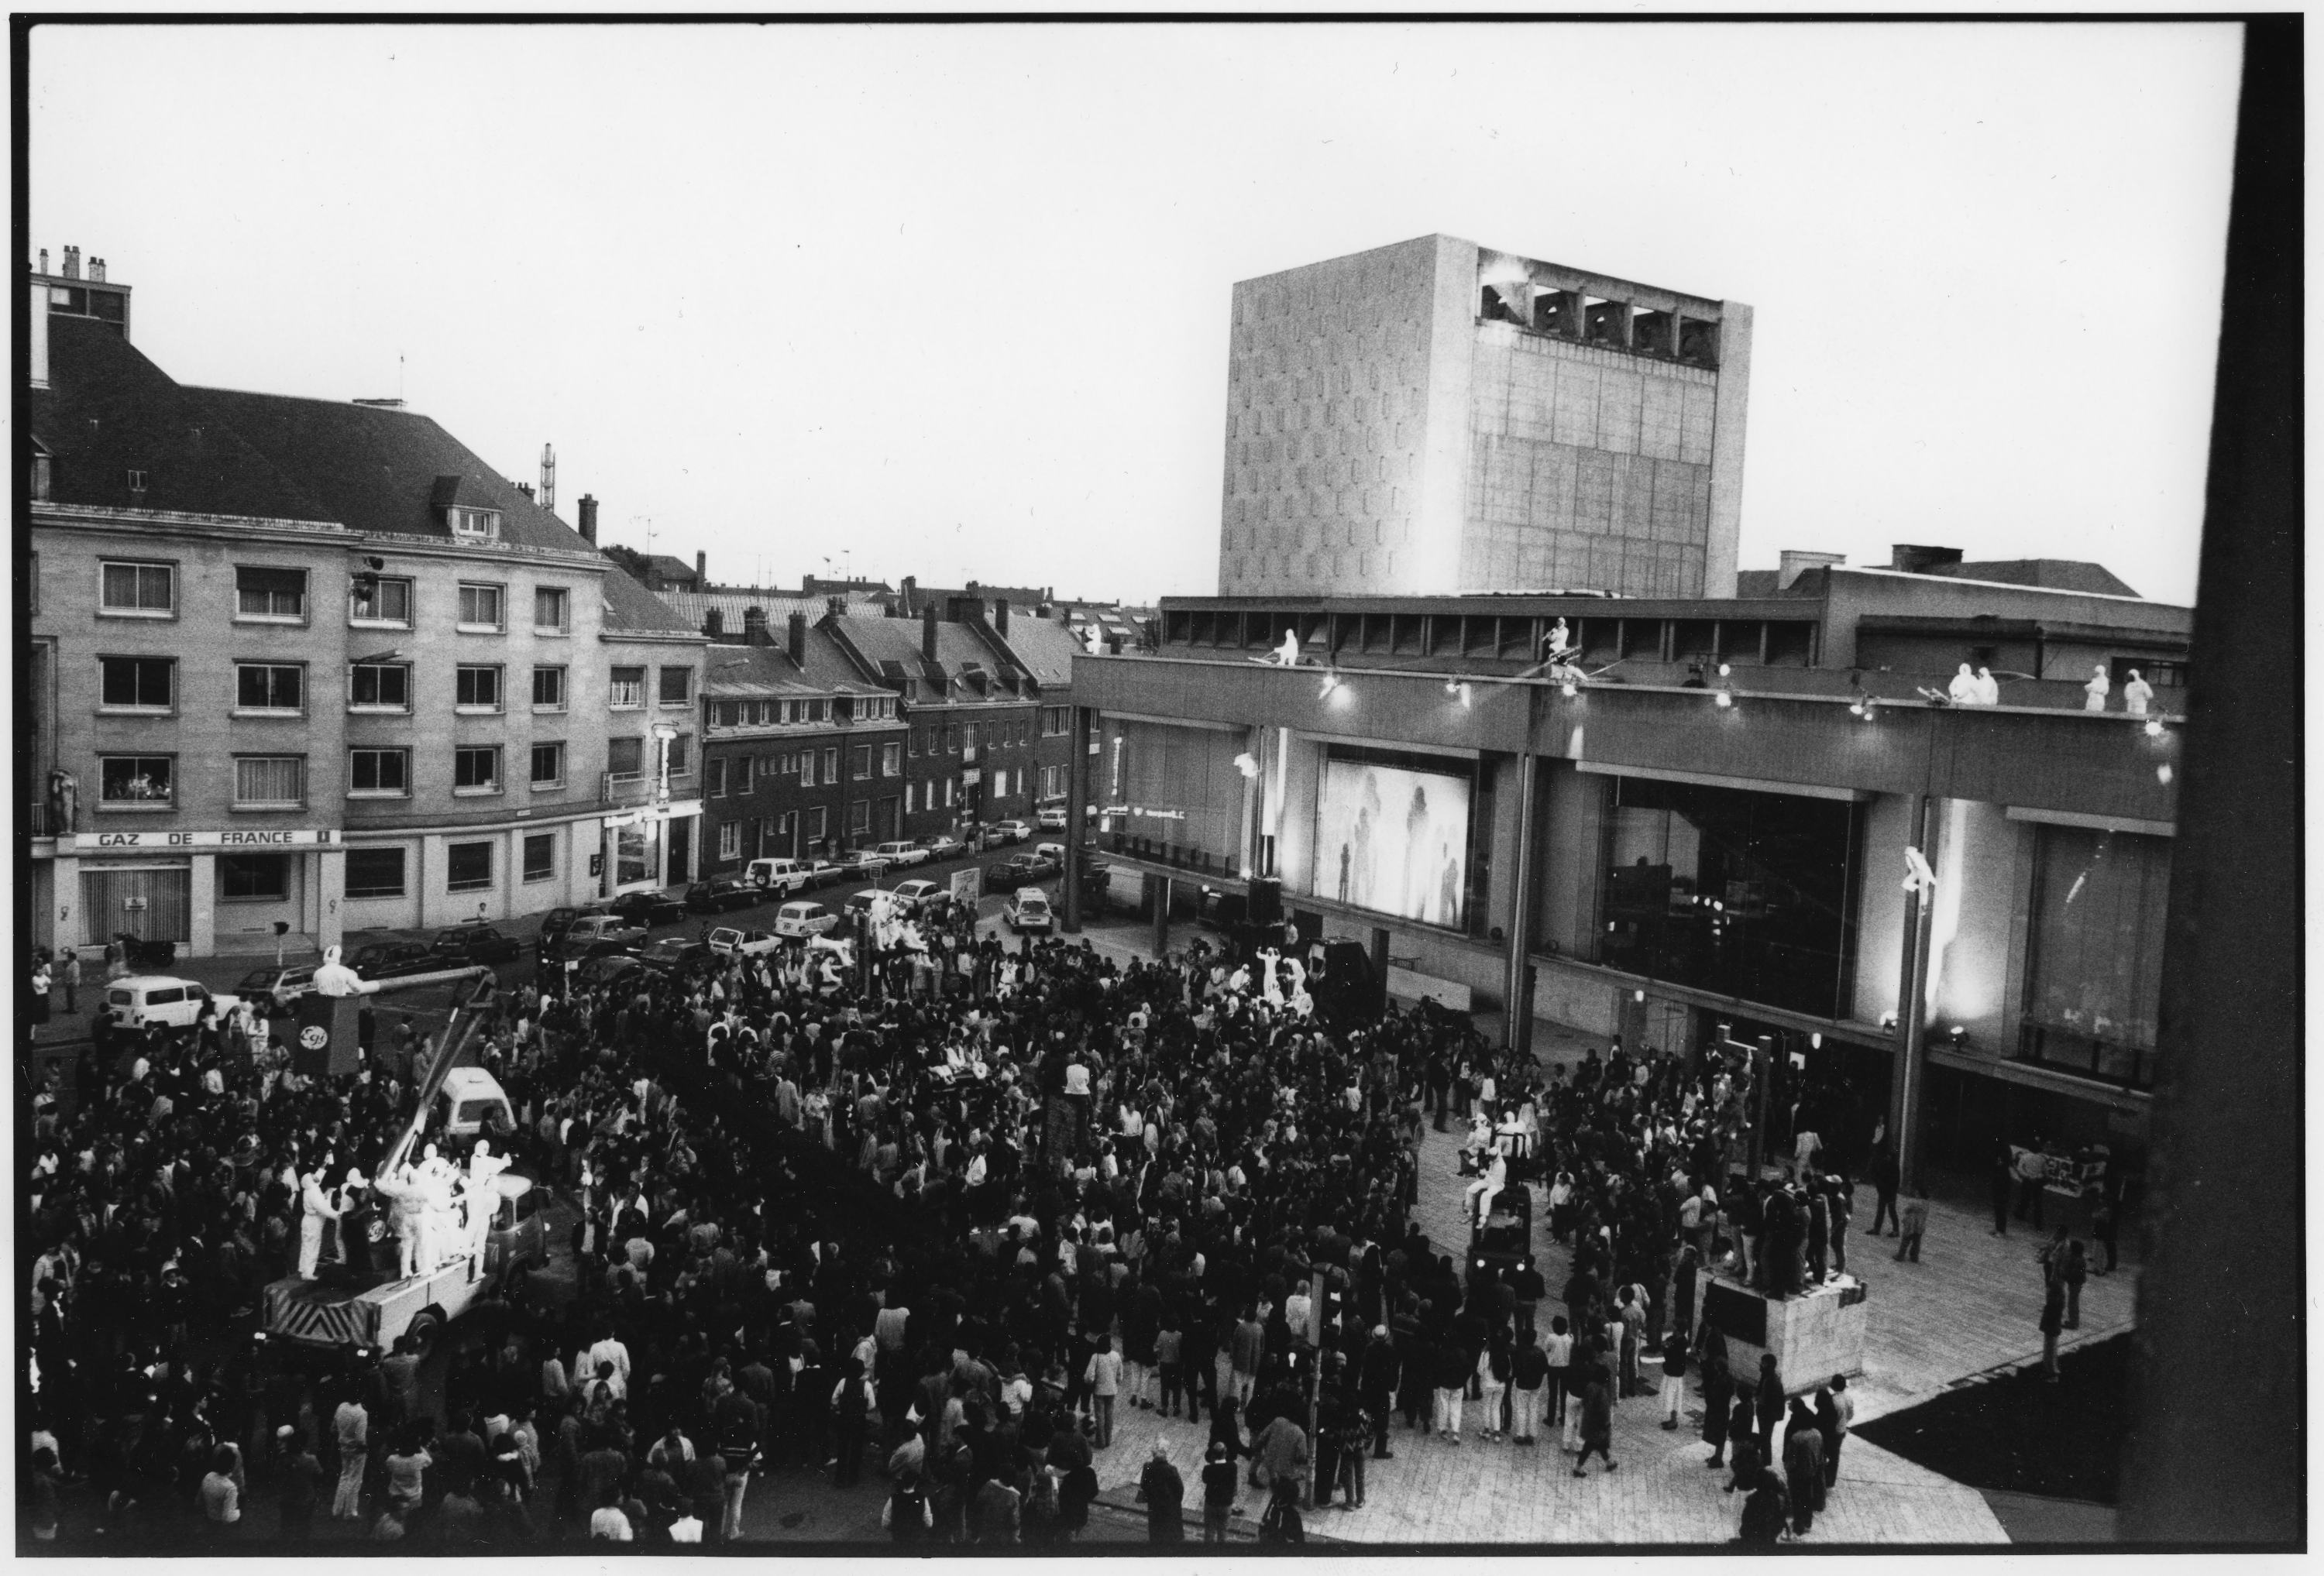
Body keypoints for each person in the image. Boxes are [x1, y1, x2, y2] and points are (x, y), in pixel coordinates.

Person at [1783, 1397, 1826, 1535]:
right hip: (1812, 1471)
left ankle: (1798, 1527)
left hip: (1797, 1474)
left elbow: (1791, 1460)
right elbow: (1820, 1454)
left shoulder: (1797, 1438)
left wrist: (1789, 1470)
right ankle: (1808, 1523)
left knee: (1797, 1500)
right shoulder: (1817, 1434)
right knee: (1807, 1498)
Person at [1140, 1442, 1185, 1543]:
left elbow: (1144, 1485)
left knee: (1156, 1528)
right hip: (1170, 1504)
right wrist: (1176, 1501)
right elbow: (1180, 1488)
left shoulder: (1148, 1467)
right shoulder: (1171, 1470)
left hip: (1155, 1504)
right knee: (1170, 1528)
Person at [1572, 1372, 1615, 1476]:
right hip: (1598, 1424)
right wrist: (1606, 1423)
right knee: (1590, 1445)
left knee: (1600, 1443)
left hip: (1589, 1421)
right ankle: (1578, 1468)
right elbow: (1604, 1410)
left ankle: (1609, 1462)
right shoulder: (1602, 1392)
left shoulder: (1590, 1386)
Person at [1201, 1440, 1237, 1542]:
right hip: (1226, 1504)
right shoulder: (1233, 1467)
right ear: (1225, 1453)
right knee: (1223, 1530)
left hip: (1211, 1504)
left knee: (1209, 1530)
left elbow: (1205, 1479)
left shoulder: (1208, 1469)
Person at [2039, 1276, 2066, 1382]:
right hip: (2052, 1328)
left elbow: (2051, 1314)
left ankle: (2052, 1374)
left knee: (2050, 1352)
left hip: (2051, 1328)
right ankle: (2050, 1372)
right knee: (2050, 1351)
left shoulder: (2054, 1303)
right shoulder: (2058, 1300)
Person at [1895, 1189, 1929, 1263]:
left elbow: (1906, 1210)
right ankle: (1914, 1258)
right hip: (1920, 1224)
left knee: (1906, 1240)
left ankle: (1900, 1256)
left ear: (1919, 1195)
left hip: (1911, 1223)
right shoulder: (1926, 1204)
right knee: (1916, 1242)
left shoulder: (1913, 1202)